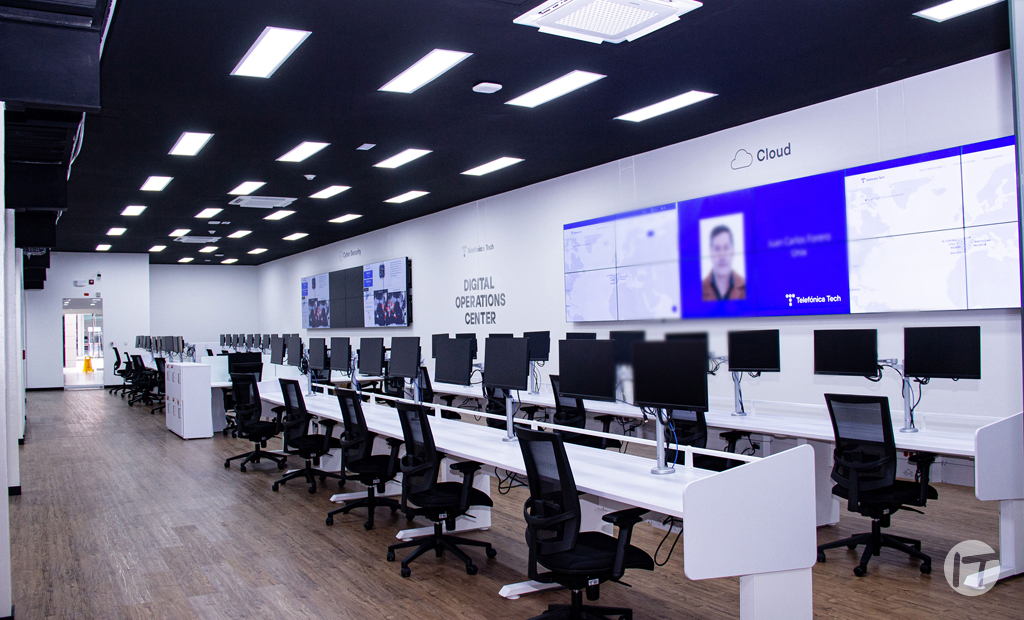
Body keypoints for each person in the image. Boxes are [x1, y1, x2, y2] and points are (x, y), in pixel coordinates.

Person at [702, 224, 746, 301]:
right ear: (710, 253)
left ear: (733, 251)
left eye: (726, 248)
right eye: (717, 249)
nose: (722, 256)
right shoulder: (699, 289)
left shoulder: (746, 287)